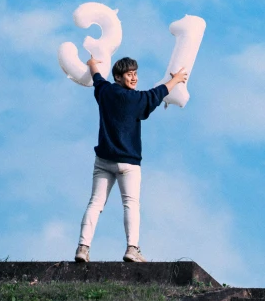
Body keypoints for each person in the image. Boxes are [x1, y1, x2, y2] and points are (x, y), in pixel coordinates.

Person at [74, 55, 188, 263]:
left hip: (104, 159)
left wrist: (92, 64)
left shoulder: (105, 91)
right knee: (131, 204)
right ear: (119, 77)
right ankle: (132, 249)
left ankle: (83, 247)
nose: (134, 78)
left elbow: (97, 78)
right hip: (128, 162)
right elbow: (158, 93)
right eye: (129, 75)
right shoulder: (137, 99)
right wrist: (177, 78)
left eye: (135, 74)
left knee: (95, 203)